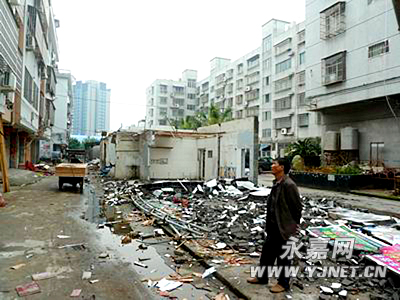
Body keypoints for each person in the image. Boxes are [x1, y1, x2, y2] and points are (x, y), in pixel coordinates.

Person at [247, 157, 303, 293]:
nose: (272, 166)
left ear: (282, 167)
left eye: (275, 164)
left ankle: (283, 283)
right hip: (273, 226)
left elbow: (297, 209)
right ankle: (262, 277)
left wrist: (291, 226)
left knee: (284, 257)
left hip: (284, 228)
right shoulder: (277, 183)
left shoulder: (289, 185)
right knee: (267, 254)